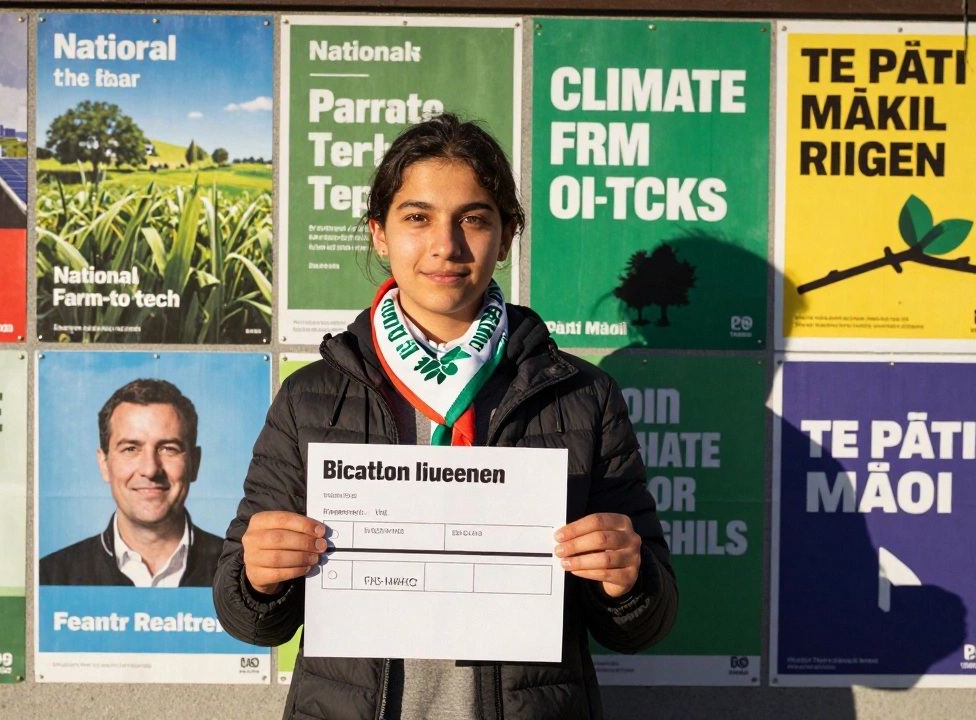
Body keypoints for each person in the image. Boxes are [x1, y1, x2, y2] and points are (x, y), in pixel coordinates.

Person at [213, 114, 677, 720]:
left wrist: (627, 580)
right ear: (379, 233)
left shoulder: (581, 396)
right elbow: (243, 615)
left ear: (506, 237)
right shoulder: (311, 397)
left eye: (474, 219)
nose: (446, 245)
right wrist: (259, 577)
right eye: (418, 217)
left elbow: (644, 625)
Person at [40, 378, 222, 588]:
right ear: (104, 464)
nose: (150, 469)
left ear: (195, 463)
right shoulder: (50, 578)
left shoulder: (241, 573)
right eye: (130, 449)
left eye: (168, 448)